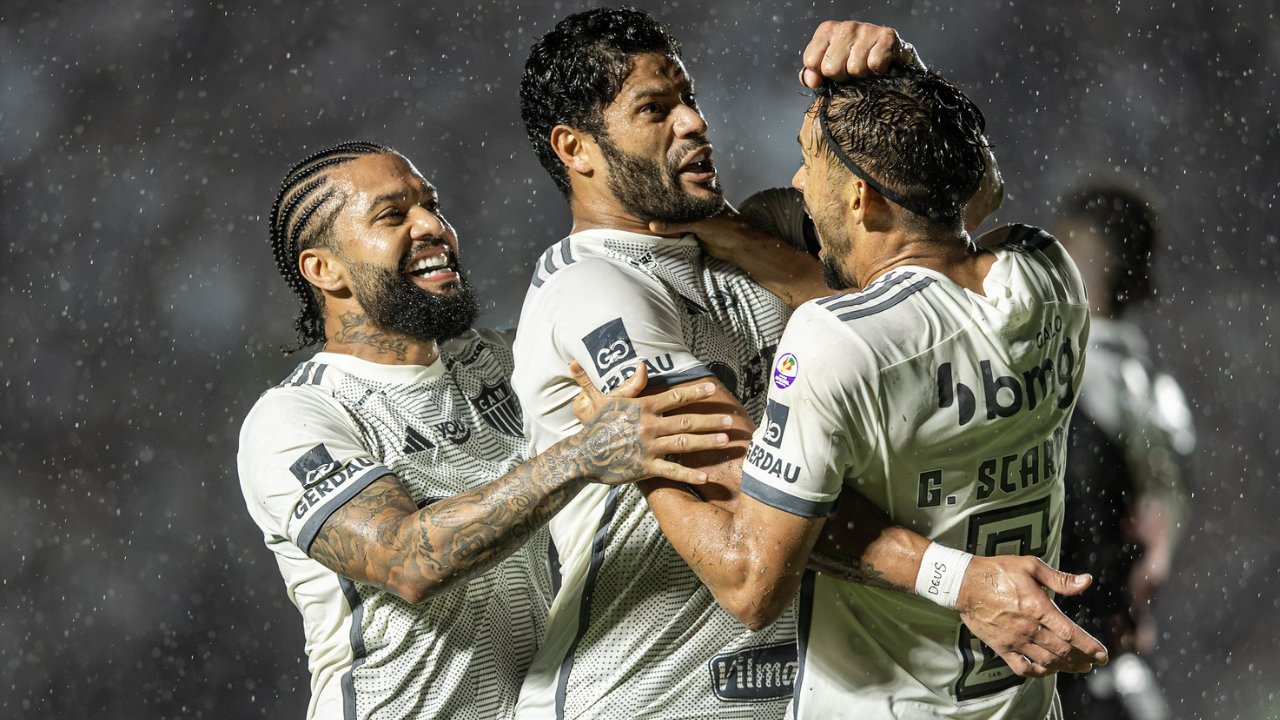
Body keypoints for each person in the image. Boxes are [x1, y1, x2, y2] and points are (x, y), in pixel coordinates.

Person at [512, 10, 1105, 719]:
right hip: (647, 699)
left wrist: (898, 85)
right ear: (575, 148)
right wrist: (958, 579)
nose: (694, 123)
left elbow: (941, 207)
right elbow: (750, 550)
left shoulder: (761, 233)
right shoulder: (595, 292)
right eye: (655, 109)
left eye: (690, 97)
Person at [236, 141, 733, 720]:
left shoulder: (503, 359)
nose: (433, 226)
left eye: (432, 205)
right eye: (393, 215)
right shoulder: (296, 416)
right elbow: (406, 560)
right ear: (324, 269)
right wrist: (583, 455)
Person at [1053, 184, 1192, 720]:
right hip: (1093, 652)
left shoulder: (1031, 367)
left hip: (1036, 649)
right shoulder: (1147, 389)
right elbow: (1159, 524)